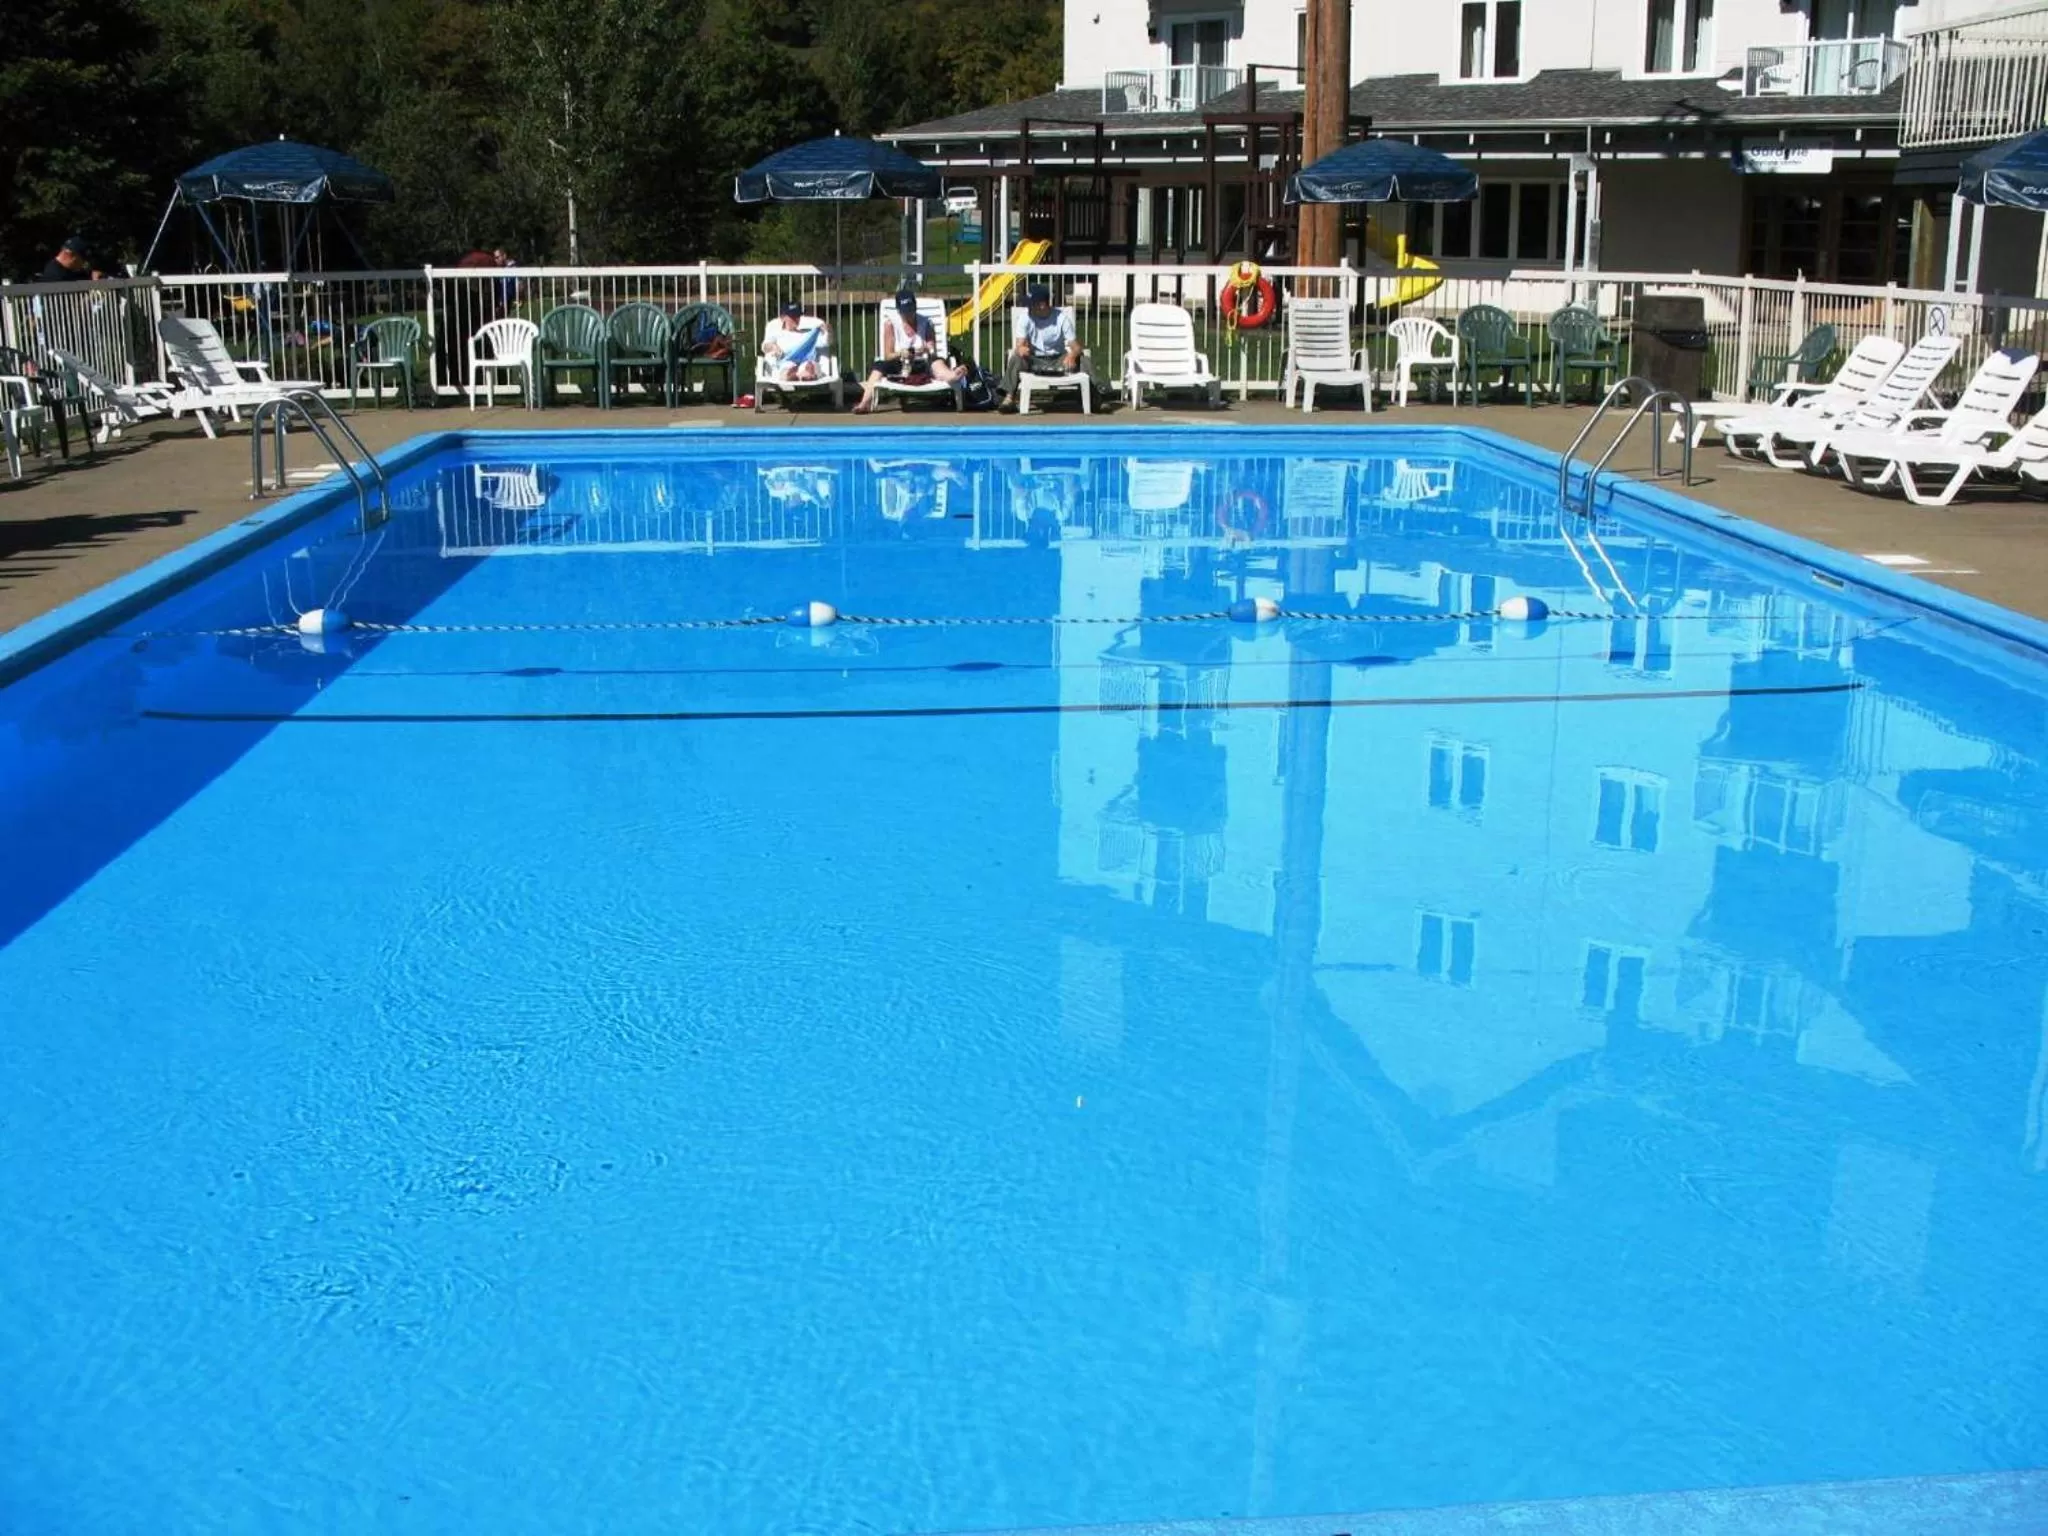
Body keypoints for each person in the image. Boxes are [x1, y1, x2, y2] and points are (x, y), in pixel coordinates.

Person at [852, 288, 962, 414]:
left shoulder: (926, 323)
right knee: (878, 367)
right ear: (899, 311)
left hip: (922, 362)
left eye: (911, 310)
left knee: (936, 362)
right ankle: (864, 403)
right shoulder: (891, 324)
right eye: (905, 311)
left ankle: (952, 376)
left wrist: (925, 348)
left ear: (915, 307)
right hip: (900, 364)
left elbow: (932, 348)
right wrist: (901, 353)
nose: (909, 314)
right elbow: (888, 355)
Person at [1000, 285, 1095, 412]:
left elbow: (1076, 347)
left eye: (1031, 304)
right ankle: (1009, 398)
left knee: (1083, 359)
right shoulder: (1025, 318)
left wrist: (1072, 355)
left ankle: (1098, 395)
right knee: (1016, 357)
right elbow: (1019, 345)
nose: (1028, 307)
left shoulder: (1061, 319)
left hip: (1058, 358)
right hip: (1034, 359)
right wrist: (1021, 349)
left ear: (1042, 305)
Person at [761, 301, 831, 382]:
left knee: (809, 365)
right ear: (783, 317)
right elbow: (765, 346)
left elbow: (826, 342)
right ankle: (796, 375)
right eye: (792, 316)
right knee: (788, 368)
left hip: (807, 362)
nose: (796, 319)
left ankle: (804, 374)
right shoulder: (777, 332)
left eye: (798, 315)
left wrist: (828, 332)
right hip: (786, 363)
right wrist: (773, 347)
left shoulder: (808, 334)